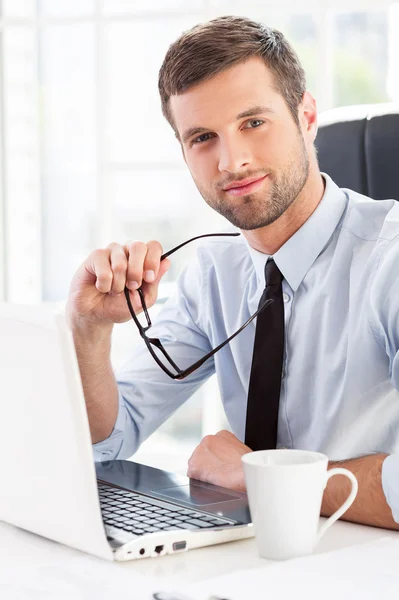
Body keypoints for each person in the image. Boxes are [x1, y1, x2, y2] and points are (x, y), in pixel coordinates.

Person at [67, 15, 399, 530]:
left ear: (306, 116)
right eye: (202, 137)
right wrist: (89, 332)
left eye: (253, 122)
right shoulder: (214, 274)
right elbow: (108, 438)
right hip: (243, 563)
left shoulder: (390, 260)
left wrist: (262, 478)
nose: (231, 161)